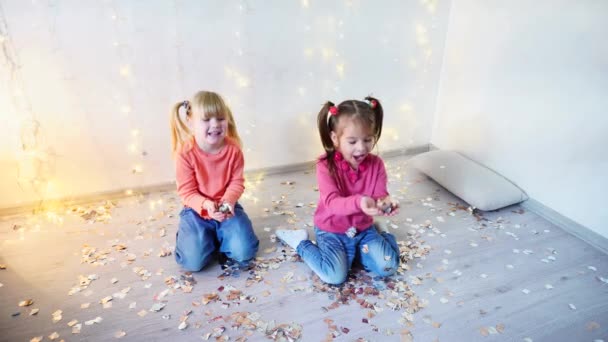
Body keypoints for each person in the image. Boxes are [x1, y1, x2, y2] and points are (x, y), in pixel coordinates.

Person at [276, 97, 400, 285]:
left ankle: (381, 234)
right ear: (335, 139)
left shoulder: (376, 164)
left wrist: (384, 203)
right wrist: (360, 202)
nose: (361, 147)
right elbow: (332, 203)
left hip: (363, 229)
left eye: (368, 140)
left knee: (389, 266)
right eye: (352, 141)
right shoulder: (325, 165)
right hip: (331, 230)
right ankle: (300, 243)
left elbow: (379, 194)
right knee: (335, 276)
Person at [169, 90, 259, 271]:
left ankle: (217, 236)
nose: (215, 124)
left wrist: (227, 203)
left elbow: (236, 182)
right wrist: (206, 205)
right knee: (192, 263)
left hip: (226, 207)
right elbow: (187, 192)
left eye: (220, 118)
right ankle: (201, 236)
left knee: (244, 252)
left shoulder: (233, 149)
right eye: (206, 119)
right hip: (197, 210)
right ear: (191, 122)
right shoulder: (185, 153)